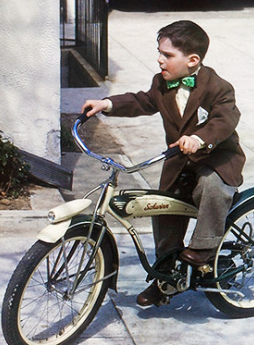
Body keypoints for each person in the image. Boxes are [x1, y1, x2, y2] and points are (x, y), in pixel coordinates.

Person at [82, 20, 245, 307]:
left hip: (216, 158)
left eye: (167, 55)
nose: (160, 59)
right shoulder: (162, 83)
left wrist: (198, 137)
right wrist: (106, 104)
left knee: (212, 186)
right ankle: (165, 278)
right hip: (180, 163)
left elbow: (224, 120)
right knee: (163, 210)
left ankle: (204, 247)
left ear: (192, 60)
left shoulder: (218, 87)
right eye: (159, 52)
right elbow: (141, 101)